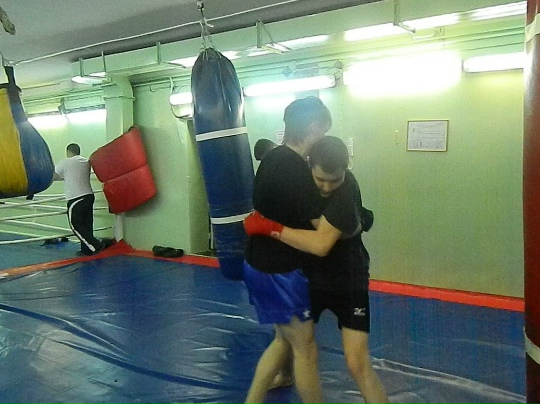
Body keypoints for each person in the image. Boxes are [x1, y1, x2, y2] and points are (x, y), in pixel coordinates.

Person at [244, 136, 390, 404]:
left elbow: (321, 244)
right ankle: (263, 391)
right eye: (320, 179)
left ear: (346, 169)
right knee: (286, 341)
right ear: (309, 165)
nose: (326, 187)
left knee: (356, 362)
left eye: (334, 180)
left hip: (348, 281)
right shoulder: (302, 181)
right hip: (312, 278)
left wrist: (268, 228)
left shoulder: (346, 192)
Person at [243, 96, 332, 404]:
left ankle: (256, 398)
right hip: (281, 272)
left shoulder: (272, 158)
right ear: (313, 127)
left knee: (283, 339)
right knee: (306, 349)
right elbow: (322, 233)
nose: (324, 138)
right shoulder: (296, 171)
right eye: (323, 131)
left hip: (258, 262)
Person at [53, 143, 107, 256]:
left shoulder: (65, 162)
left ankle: (96, 245)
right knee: (87, 225)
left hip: (76, 198)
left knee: (75, 225)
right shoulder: (86, 162)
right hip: (89, 196)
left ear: (68, 152)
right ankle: (86, 250)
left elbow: (53, 176)